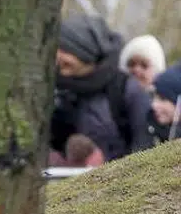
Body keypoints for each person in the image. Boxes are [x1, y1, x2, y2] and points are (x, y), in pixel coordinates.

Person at [51, 14, 154, 162]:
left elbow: (144, 147)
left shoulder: (126, 90)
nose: (62, 72)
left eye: (67, 64)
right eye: (58, 64)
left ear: (88, 57)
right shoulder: (61, 92)